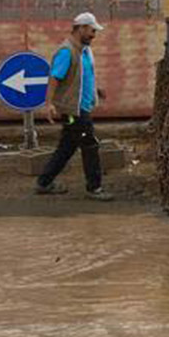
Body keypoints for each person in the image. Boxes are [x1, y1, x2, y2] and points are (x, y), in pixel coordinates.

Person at [35, 12, 114, 201]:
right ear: (81, 28)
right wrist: (49, 104)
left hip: (82, 106)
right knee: (90, 145)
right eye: (92, 30)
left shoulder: (83, 50)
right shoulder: (67, 51)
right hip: (73, 110)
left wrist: (96, 90)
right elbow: (55, 77)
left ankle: (44, 182)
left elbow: (81, 76)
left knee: (67, 146)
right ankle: (94, 188)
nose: (94, 35)